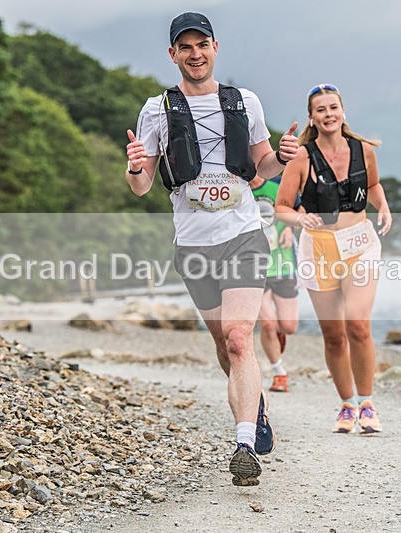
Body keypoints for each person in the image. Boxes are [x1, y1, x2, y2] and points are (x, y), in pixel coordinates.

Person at [124, 12, 299, 486]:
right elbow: (141, 186)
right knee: (224, 344)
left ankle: (244, 442)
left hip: (243, 235)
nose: (195, 54)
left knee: (240, 337)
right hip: (194, 244)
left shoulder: (244, 101)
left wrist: (281, 158)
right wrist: (136, 164)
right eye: (186, 47)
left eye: (202, 45)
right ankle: (255, 408)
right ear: (173, 54)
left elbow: (261, 166)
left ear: (215, 48)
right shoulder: (157, 109)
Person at [275, 84, 392, 434]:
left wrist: (383, 206)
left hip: (359, 244)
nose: (328, 114)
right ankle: (347, 404)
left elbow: (372, 186)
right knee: (334, 335)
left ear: (343, 111)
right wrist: (300, 220)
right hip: (319, 249)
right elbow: (282, 207)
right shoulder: (301, 157)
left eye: (333, 107)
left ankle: (367, 404)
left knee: (358, 324)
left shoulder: (364, 150)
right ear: (312, 117)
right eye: (321, 109)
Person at [250, 175, 299, 392]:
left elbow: (302, 207)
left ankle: (277, 333)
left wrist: (290, 227)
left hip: (283, 264)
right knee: (267, 323)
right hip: (252, 267)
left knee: (289, 326)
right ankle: (279, 373)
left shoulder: (278, 184)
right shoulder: (237, 190)